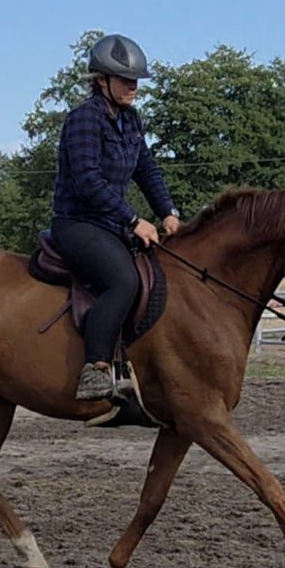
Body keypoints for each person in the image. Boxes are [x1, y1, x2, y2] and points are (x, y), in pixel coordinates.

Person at [51, 34, 182, 400]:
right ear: (101, 81)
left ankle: (135, 366)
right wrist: (134, 220)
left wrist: (167, 212)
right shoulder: (84, 119)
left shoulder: (131, 120)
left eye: (136, 81)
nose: (134, 87)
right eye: (126, 80)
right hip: (77, 224)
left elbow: (148, 171)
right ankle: (95, 369)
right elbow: (88, 181)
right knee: (123, 280)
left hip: (110, 225)